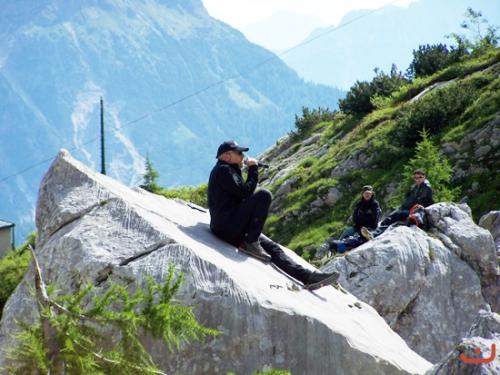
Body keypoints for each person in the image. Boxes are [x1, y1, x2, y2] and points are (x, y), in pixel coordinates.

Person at [208, 140, 339, 290]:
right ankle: (251, 242)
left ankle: (308, 277)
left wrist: (245, 168)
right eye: (239, 153)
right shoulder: (223, 171)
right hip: (226, 226)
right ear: (226, 156)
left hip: (234, 224)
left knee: (273, 248)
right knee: (264, 195)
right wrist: (253, 169)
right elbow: (245, 192)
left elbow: (240, 195)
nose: (243, 155)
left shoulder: (230, 170)